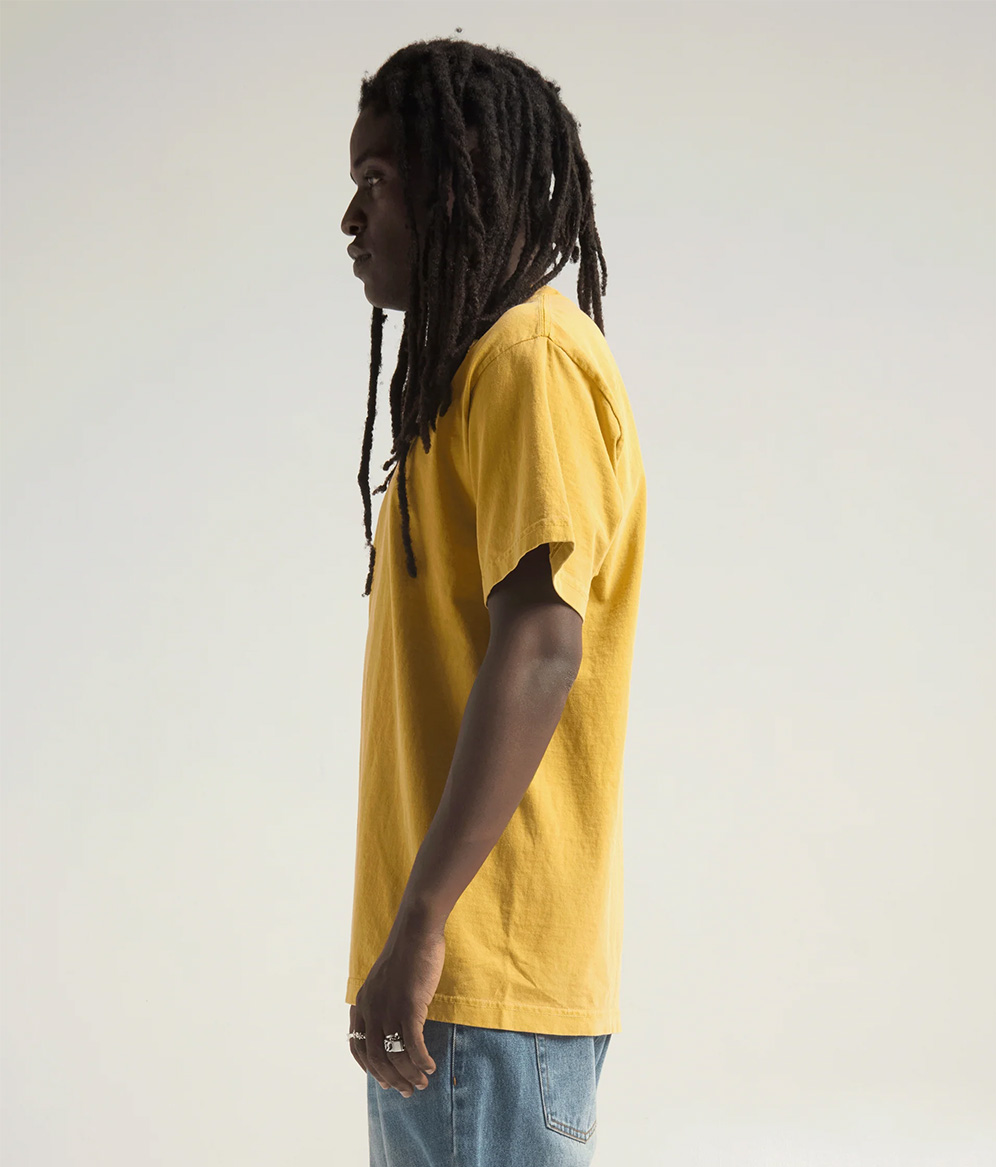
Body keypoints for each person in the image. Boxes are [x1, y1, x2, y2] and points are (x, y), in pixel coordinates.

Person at [340, 35, 646, 1167]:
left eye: (377, 179)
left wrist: (423, 924)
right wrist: (404, 934)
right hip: (454, 980)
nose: (351, 217)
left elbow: (543, 648)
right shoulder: (471, 374)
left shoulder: (529, 359)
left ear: (455, 179)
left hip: (483, 974)